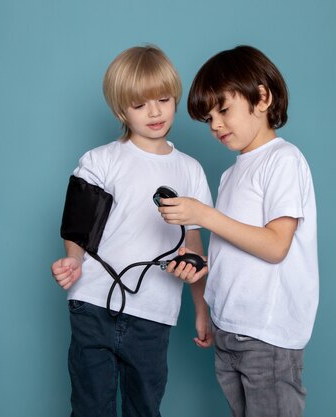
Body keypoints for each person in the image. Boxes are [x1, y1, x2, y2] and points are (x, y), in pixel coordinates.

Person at [50, 45, 213, 417]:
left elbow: (194, 247)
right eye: (140, 105)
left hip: (154, 314)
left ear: (176, 98)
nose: (154, 112)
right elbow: (78, 227)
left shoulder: (190, 171)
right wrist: (73, 261)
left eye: (163, 99)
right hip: (92, 303)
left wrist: (201, 309)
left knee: (145, 408)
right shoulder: (100, 161)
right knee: (90, 407)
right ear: (121, 109)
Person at [158, 45, 319, 417]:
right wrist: (201, 273)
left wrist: (205, 214)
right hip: (230, 329)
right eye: (208, 117)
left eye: (223, 110)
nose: (215, 124)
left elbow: (276, 245)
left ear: (262, 97)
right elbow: (234, 247)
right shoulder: (233, 173)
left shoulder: (283, 160)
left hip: (267, 334)